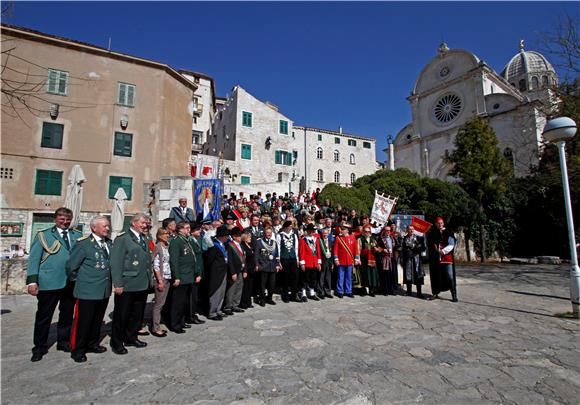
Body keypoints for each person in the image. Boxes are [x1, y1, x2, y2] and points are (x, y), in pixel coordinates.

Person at [27, 207, 82, 362]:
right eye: (62, 219)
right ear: (55, 219)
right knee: (44, 317)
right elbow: (34, 259)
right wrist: (32, 281)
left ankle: (63, 342)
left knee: (66, 315)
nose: (65, 222)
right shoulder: (43, 235)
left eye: (67, 219)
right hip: (49, 282)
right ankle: (39, 347)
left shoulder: (76, 235)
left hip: (70, 282)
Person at [66, 216, 112, 362]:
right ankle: (78, 349)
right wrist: (82, 281)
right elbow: (71, 267)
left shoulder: (109, 244)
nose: (107, 228)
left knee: (97, 319)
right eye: (104, 226)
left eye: (108, 226)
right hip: (87, 290)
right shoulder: (83, 244)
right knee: (83, 321)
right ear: (94, 228)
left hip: (104, 289)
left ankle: (93, 343)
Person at [110, 213, 152, 354]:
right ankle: (117, 342)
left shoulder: (144, 238)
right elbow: (116, 262)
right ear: (133, 223)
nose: (145, 225)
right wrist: (118, 283)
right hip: (127, 284)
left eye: (146, 223)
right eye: (142, 223)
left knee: (137, 314)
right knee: (122, 315)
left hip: (142, 283)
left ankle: (131, 337)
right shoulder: (123, 239)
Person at [168, 221, 195, 334]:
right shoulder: (176, 241)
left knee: (184, 301)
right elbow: (174, 260)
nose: (189, 230)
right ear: (180, 230)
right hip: (182, 276)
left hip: (188, 275)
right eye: (187, 228)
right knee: (178, 302)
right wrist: (177, 276)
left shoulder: (186, 240)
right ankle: (175, 324)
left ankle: (182, 321)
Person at [427, 217, 458, 302]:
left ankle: (454, 295)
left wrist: (442, 251)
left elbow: (451, 245)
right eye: (438, 223)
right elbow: (431, 245)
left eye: (441, 223)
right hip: (436, 259)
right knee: (436, 276)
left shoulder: (449, 232)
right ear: (436, 224)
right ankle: (435, 293)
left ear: (443, 223)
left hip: (447, 258)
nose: (440, 224)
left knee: (450, 276)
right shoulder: (432, 233)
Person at [205, 225, 230, 320]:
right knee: (216, 291)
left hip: (223, 271)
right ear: (221, 236)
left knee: (222, 291)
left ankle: (218, 310)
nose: (227, 238)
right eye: (226, 236)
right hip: (216, 273)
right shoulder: (214, 247)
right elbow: (209, 261)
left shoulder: (223, 245)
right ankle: (212, 312)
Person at [150, 228, 171, 337]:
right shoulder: (158, 247)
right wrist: (160, 280)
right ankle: (155, 327)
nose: (167, 235)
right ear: (159, 236)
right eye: (165, 234)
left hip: (168, 277)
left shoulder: (166, 246)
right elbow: (156, 265)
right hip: (161, 278)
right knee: (158, 304)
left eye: (168, 233)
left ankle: (157, 324)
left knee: (162, 303)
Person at [255, 226, 280, 306]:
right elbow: (257, 255)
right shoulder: (259, 242)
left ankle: (270, 298)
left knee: (272, 284)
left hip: (272, 266)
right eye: (267, 233)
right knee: (263, 284)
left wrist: (277, 264)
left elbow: (276, 255)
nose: (269, 234)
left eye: (270, 233)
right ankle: (262, 299)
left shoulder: (274, 242)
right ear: (264, 233)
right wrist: (257, 265)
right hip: (264, 266)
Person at [333, 223, 360, 298]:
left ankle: (348, 291)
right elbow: (335, 250)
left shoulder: (352, 237)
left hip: (350, 261)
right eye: (342, 229)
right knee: (340, 277)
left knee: (349, 277)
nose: (342, 231)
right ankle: (340, 291)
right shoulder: (338, 238)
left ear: (347, 230)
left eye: (343, 229)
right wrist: (336, 259)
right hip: (341, 261)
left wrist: (356, 258)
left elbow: (356, 249)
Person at [223, 227, 246, 314]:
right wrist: (232, 272)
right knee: (231, 289)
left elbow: (244, 258)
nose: (240, 237)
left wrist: (245, 270)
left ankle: (235, 305)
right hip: (234, 271)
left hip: (240, 269)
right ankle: (228, 306)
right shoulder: (230, 245)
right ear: (234, 237)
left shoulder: (241, 245)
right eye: (239, 236)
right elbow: (230, 261)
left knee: (239, 287)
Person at [277, 220, 300, 303]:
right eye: (290, 226)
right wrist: (278, 260)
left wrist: (297, 259)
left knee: (295, 276)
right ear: (286, 227)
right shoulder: (280, 235)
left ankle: (294, 295)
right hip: (284, 258)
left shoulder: (294, 235)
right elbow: (278, 248)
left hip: (293, 258)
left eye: (291, 226)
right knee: (285, 277)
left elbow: (296, 248)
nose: (291, 227)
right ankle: (285, 295)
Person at [186, 223, 205, 325]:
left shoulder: (196, 240)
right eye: (197, 230)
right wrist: (197, 273)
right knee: (192, 296)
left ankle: (192, 314)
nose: (200, 231)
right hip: (194, 272)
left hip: (198, 271)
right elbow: (193, 259)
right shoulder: (190, 242)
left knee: (195, 295)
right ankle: (191, 315)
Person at [401, 225, 426, 299]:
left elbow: (423, 247)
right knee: (408, 275)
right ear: (407, 230)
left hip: (417, 259)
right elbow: (403, 248)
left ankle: (419, 293)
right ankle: (409, 291)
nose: (411, 230)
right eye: (409, 229)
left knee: (418, 275)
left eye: (412, 229)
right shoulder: (405, 238)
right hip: (408, 259)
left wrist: (416, 249)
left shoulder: (418, 237)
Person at [299, 224, 322, 301]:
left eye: (313, 231)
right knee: (305, 279)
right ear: (307, 231)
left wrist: (319, 262)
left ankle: (312, 293)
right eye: (310, 230)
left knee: (313, 279)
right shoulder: (303, 240)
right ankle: (304, 294)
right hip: (307, 262)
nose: (311, 232)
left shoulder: (316, 239)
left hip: (314, 263)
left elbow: (318, 251)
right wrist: (302, 263)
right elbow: (301, 252)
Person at [358, 225, 380, 297]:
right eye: (365, 231)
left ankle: (371, 290)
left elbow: (378, 248)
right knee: (364, 275)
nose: (367, 233)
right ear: (363, 232)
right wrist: (358, 259)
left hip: (372, 260)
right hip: (364, 259)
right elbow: (358, 251)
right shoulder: (360, 239)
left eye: (368, 231)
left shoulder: (373, 239)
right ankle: (363, 290)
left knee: (372, 275)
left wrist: (376, 249)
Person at [239, 229, 256, 309]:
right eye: (249, 237)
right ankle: (243, 303)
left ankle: (248, 302)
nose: (250, 238)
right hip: (246, 270)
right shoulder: (242, 246)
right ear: (245, 237)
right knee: (245, 287)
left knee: (250, 287)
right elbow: (243, 259)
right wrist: (245, 270)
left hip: (251, 269)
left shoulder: (249, 245)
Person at [318, 228, 334, 298]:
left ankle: (327, 292)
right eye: (324, 233)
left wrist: (332, 262)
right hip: (322, 261)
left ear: (328, 234)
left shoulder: (330, 241)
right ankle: (321, 292)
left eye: (326, 233)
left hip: (329, 262)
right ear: (322, 234)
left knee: (328, 277)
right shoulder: (319, 241)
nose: (325, 235)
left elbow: (332, 253)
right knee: (321, 277)